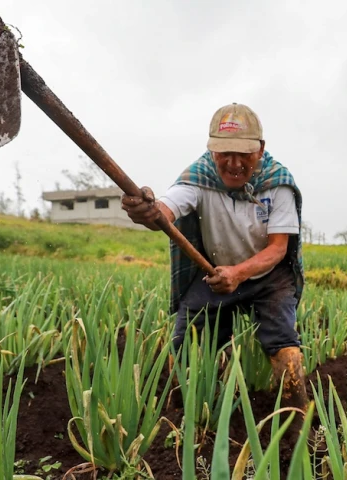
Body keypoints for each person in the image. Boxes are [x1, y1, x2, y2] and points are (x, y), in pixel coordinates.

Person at [120, 103, 309, 430]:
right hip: (216, 272)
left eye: (244, 154)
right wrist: (150, 213)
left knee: (285, 348)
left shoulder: (278, 182)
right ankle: (178, 419)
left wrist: (238, 274)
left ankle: (297, 425)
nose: (234, 164)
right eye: (224, 154)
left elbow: (278, 248)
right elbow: (167, 209)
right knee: (186, 344)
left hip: (267, 276)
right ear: (211, 151)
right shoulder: (199, 177)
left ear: (260, 150)